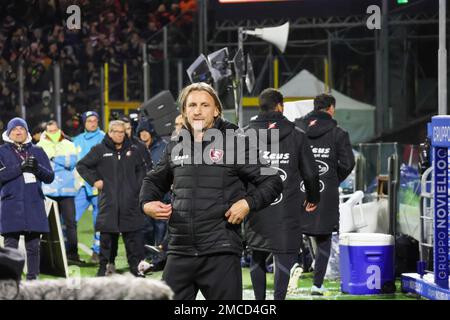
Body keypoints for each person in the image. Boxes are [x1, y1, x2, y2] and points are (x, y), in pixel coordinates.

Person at [140, 82, 283, 300]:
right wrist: (147, 203)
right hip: (179, 251)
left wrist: (247, 204)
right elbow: (153, 181)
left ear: (216, 110)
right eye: (192, 105)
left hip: (221, 252)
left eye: (204, 105)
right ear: (185, 111)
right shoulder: (176, 145)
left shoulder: (236, 143)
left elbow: (272, 180)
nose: (197, 111)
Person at [245, 88, 321, 300]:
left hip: (255, 207)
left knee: (257, 255)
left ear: (259, 106)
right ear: (280, 106)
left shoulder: (244, 134)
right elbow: (311, 173)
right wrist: (313, 197)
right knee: (284, 256)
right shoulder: (297, 135)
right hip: (286, 207)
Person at [295, 93, 355, 295]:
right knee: (324, 238)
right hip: (324, 193)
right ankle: (317, 285)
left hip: (296, 191)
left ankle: (284, 280)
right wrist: (331, 180)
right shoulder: (339, 133)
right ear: (331, 108)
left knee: (288, 235)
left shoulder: (297, 128)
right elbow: (348, 163)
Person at [76, 120, 147, 277]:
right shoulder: (99, 150)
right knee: (107, 238)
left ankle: (135, 268)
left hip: (130, 203)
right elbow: (82, 165)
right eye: (115, 131)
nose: (119, 135)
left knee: (132, 238)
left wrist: (137, 187)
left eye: (122, 132)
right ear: (109, 132)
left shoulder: (134, 150)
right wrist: (94, 180)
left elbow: (142, 169)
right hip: (109, 203)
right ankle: (104, 267)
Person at [0, 117, 54, 280]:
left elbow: (50, 177)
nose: (18, 131)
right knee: (11, 248)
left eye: (21, 128)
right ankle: (10, 281)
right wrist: (20, 167)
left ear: (26, 131)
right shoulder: (1, 151)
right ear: (9, 133)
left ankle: (33, 281)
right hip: (11, 204)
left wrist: (37, 168)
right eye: (14, 129)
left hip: (34, 203)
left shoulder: (38, 151)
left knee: (34, 247)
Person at [37, 120, 81, 264]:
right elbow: (40, 167)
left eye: (55, 131)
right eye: (50, 131)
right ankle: (48, 257)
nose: (53, 134)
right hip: (48, 190)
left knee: (71, 224)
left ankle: (73, 255)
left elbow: (71, 163)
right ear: (46, 131)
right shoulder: (40, 146)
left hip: (67, 191)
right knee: (47, 225)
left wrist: (54, 157)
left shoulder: (69, 144)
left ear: (59, 129)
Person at [72, 111, 105, 263]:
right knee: (70, 220)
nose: (92, 123)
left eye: (95, 120)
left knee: (99, 222)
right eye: (89, 121)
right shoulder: (76, 140)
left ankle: (97, 252)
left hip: (98, 186)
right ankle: (70, 252)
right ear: (84, 123)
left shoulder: (104, 138)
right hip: (80, 187)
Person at [136, 119, 168, 249]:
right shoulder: (136, 148)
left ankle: (160, 253)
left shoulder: (163, 146)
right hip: (143, 193)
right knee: (145, 227)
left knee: (161, 225)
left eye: (146, 131)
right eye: (141, 132)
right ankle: (147, 254)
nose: (143, 134)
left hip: (161, 193)